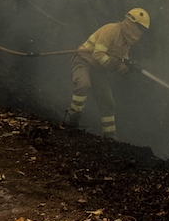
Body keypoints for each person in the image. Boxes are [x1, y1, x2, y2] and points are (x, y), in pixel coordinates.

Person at [64, 8, 150, 138]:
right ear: (130, 22)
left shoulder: (127, 42)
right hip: (83, 61)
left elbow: (121, 61)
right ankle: (71, 121)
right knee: (83, 84)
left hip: (98, 70)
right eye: (139, 27)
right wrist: (113, 65)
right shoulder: (111, 30)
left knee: (108, 102)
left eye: (143, 30)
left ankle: (110, 137)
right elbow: (98, 54)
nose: (140, 32)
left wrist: (126, 68)